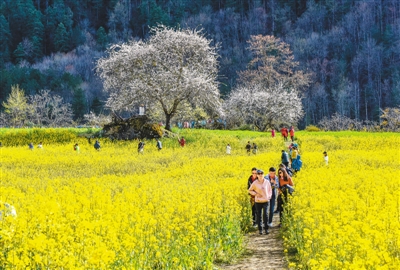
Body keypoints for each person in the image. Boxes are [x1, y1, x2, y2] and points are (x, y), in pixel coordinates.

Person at [248, 169, 272, 235]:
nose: (260, 175)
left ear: (263, 174)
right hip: (258, 202)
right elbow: (250, 190)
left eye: (262, 174)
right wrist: (256, 194)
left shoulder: (267, 182)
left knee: (266, 214)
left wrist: (269, 197)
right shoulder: (255, 183)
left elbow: (270, 190)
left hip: (266, 201)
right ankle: (260, 229)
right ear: (257, 175)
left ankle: (266, 229)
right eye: (259, 174)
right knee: (259, 216)